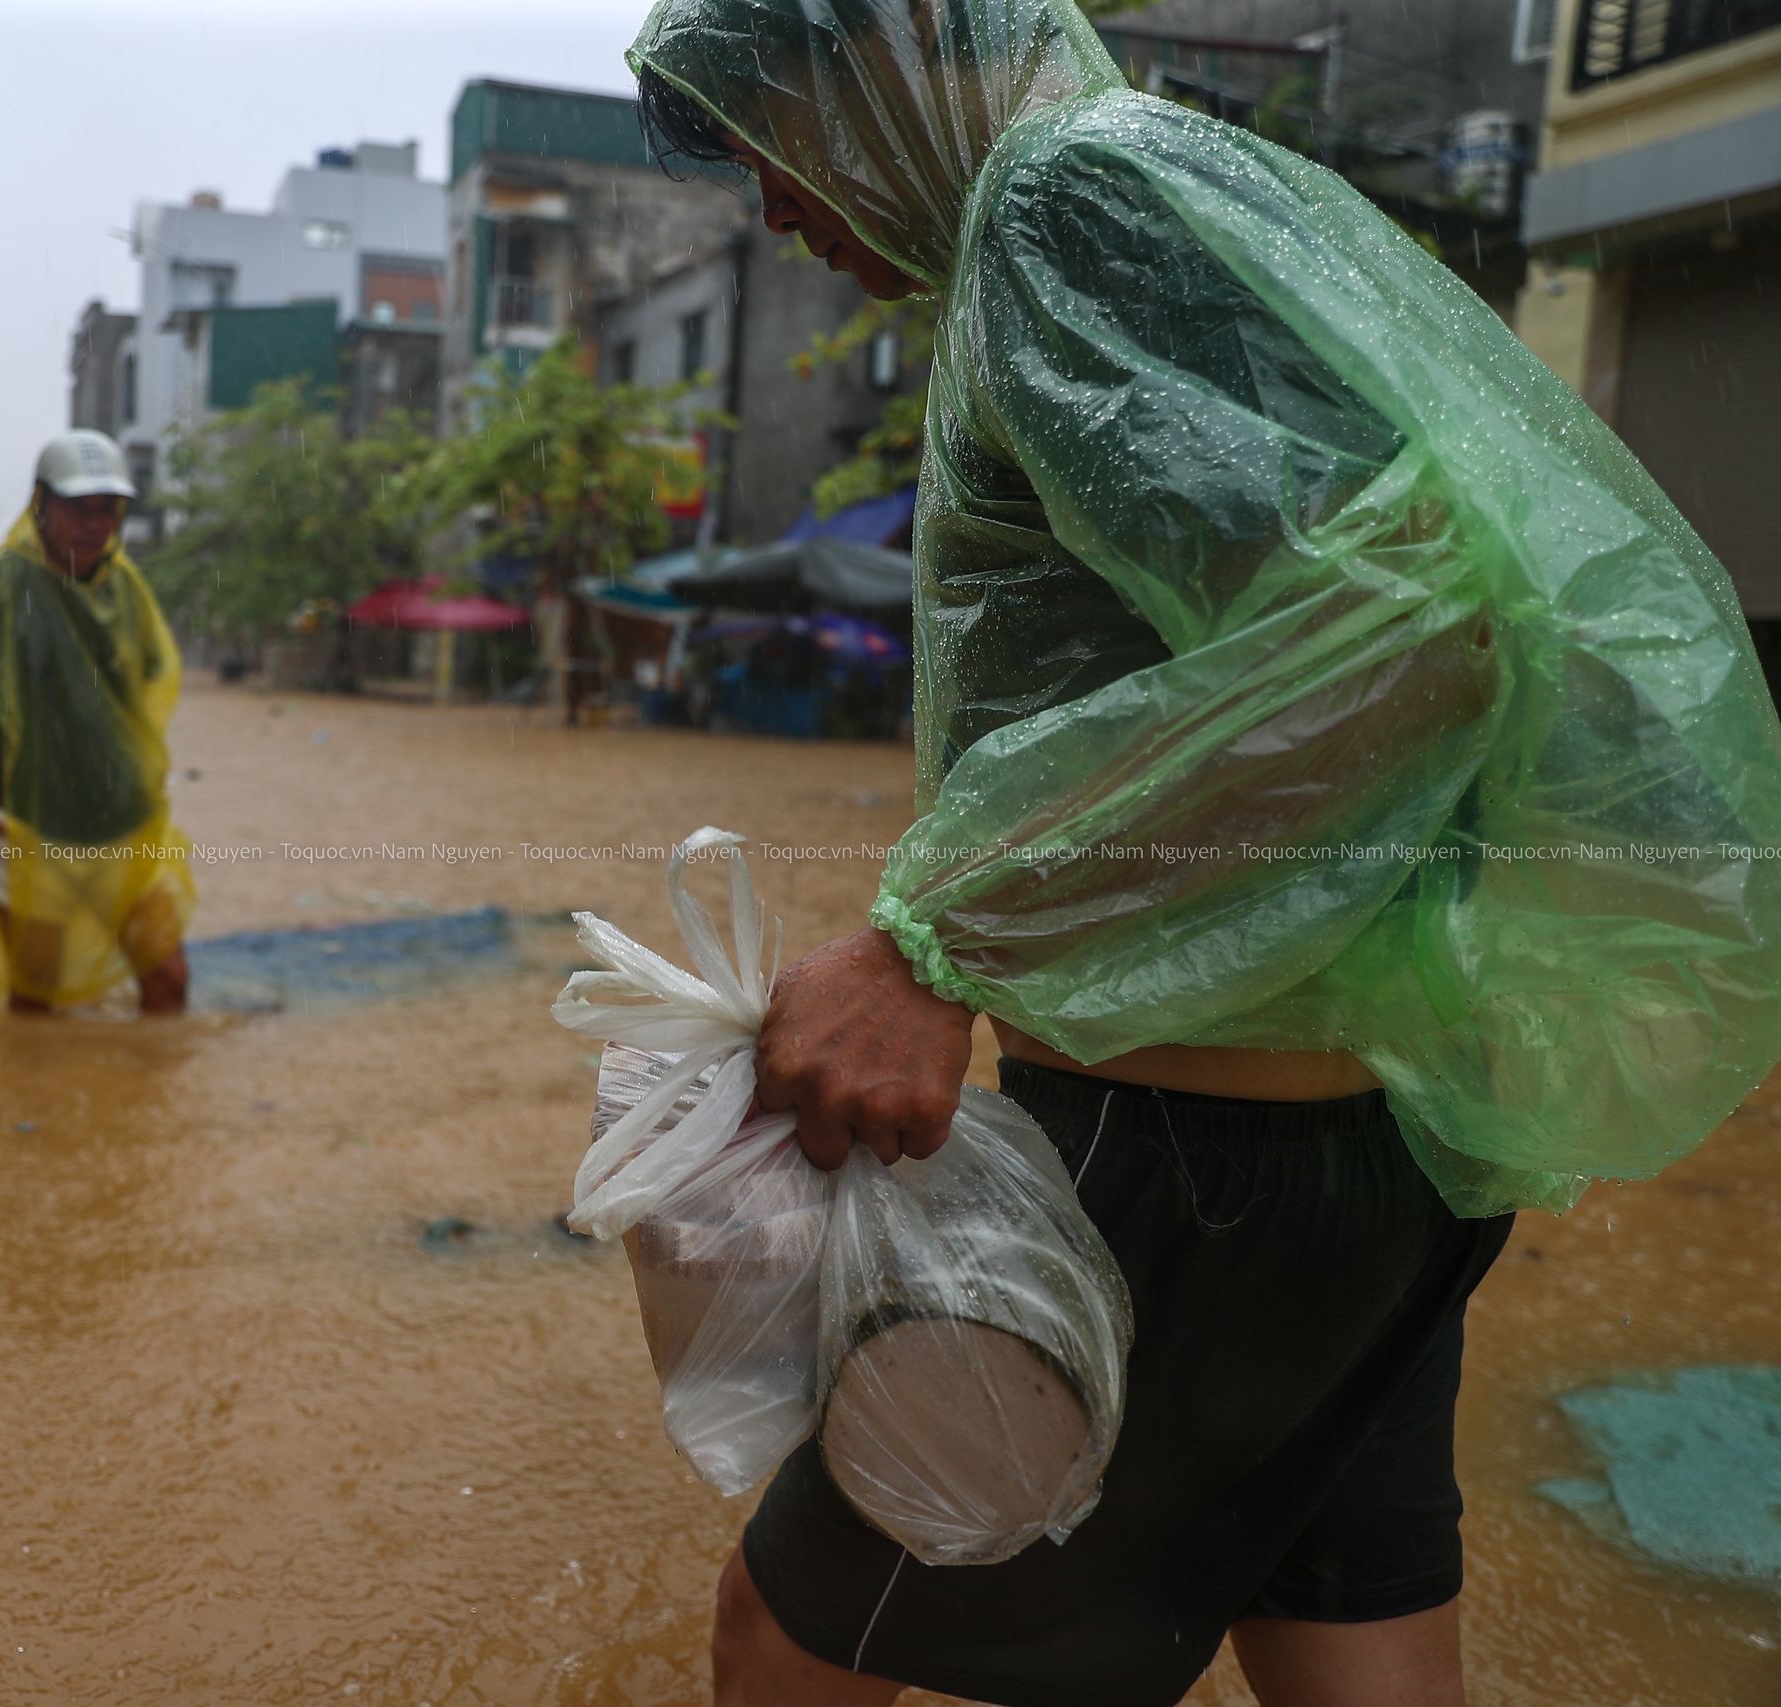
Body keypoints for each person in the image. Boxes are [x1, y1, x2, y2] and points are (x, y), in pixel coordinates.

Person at [626, 1, 1781, 1704]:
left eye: (762, 126)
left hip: (1188, 1166)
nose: (767, 200)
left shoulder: (1066, 204)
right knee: (1347, 1646)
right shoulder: (1175, 183)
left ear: (879, 42)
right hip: (1371, 1154)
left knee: (788, 1643)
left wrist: (936, 940)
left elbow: (1409, 642)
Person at [0, 430, 195, 1015]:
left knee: (169, 982)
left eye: (108, 511)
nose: (94, 525)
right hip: (26, 828)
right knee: (36, 1001)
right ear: (40, 504)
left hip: (124, 826)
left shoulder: (126, 590)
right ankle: (30, 1106)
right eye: (79, 510)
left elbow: (151, 684)